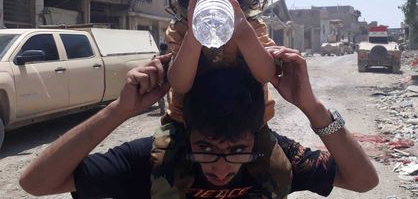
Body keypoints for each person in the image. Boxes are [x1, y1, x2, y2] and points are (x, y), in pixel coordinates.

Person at [19, 47, 379, 198]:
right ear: (186, 134)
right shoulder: (156, 159)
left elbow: (364, 181)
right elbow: (35, 182)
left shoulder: (274, 157)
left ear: (255, 139)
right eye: (205, 150)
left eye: (237, 151)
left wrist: (311, 106)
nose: (222, 168)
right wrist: (118, 111)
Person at [160, 0, 288, 195]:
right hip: (187, 123)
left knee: (280, 173)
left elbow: (266, 74)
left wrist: (243, 32)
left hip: (248, 123)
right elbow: (179, 84)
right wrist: (195, 33)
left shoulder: (253, 26)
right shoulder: (180, 28)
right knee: (163, 174)